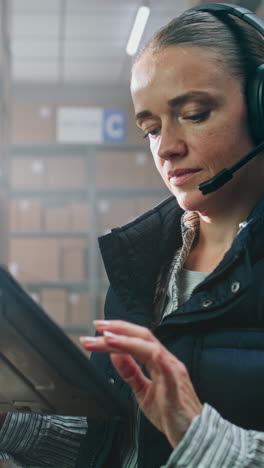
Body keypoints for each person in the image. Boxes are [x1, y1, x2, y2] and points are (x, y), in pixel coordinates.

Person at [0, 3, 264, 467]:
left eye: (195, 113)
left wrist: (200, 436)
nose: (166, 147)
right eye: (151, 128)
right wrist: (10, 419)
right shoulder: (140, 263)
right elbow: (116, 443)